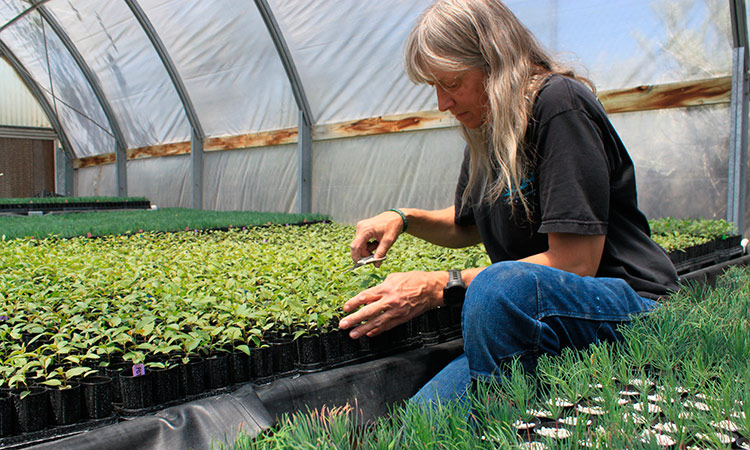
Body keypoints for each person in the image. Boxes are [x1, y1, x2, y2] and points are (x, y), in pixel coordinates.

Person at [338, 0, 679, 404]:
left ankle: (510, 423)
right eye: (434, 87)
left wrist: (438, 284)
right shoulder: (487, 126)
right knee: (426, 419)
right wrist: (404, 218)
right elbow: (467, 225)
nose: (442, 103)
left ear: (494, 63)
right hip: (534, 311)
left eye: (451, 82)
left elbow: (576, 262)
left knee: (498, 287)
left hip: (620, 304)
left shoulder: (557, 105)